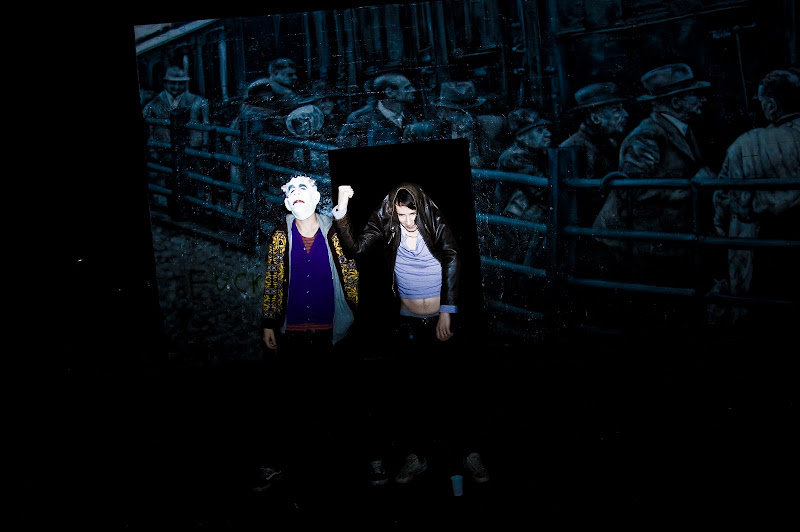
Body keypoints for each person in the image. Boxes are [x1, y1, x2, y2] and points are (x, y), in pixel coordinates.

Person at [332, 182, 489, 487]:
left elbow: (453, 256)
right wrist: (342, 209)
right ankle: (416, 456)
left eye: (411, 214)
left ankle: (469, 453)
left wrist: (447, 311)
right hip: (409, 323)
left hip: (443, 320)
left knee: (455, 390)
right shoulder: (387, 220)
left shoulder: (434, 218)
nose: (407, 221)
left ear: (421, 209)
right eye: (401, 215)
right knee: (413, 393)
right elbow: (355, 249)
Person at [254, 175, 360, 493]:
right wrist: (269, 322)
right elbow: (273, 278)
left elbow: (350, 267)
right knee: (289, 403)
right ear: (287, 202)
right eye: (291, 191)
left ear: (315, 197)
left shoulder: (333, 230)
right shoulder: (280, 236)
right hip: (293, 332)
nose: (297, 194)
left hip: (331, 330)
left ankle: (342, 466)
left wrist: (357, 312)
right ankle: (282, 466)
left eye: (303, 189)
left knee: (335, 401)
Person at [592, 63, 714, 287]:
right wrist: (693, 186)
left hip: (661, 234)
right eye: (694, 95)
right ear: (676, 102)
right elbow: (636, 191)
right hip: (638, 241)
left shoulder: (681, 129)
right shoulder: (647, 136)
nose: (702, 99)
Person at [709, 68, 800, 327]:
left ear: (771, 105)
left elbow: (726, 200)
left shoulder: (747, 144)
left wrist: (721, 227)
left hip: (769, 245)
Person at [559, 82, 630, 225]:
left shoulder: (609, 142)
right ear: (596, 118)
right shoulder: (572, 148)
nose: (626, 114)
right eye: (617, 110)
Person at [142, 66, 211, 206]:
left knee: (195, 181)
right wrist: (153, 149)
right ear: (165, 83)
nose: (176, 86)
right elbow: (149, 130)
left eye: (180, 83)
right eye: (173, 83)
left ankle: (198, 208)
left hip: (193, 150)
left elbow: (206, 127)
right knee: (168, 183)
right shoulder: (153, 104)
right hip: (165, 151)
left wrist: (204, 147)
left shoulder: (198, 102)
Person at [335, 72, 418, 148]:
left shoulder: (410, 117)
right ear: (389, 92)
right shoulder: (361, 119)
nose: (413, 90)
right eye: (406, 88)